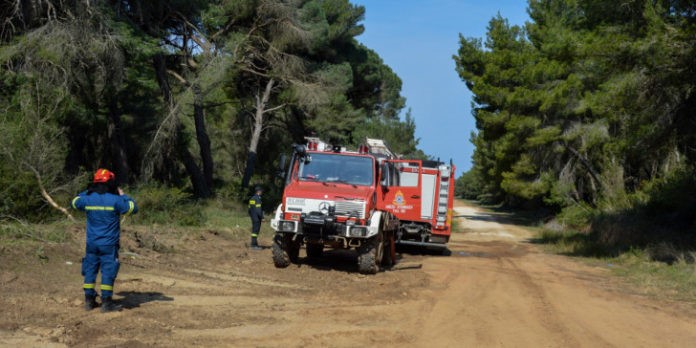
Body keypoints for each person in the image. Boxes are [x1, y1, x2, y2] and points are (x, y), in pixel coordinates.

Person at [71, 169, 138, 312]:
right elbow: (133, 208)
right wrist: (123, 195)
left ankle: (89, 301)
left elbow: (75, 202)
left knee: (90, 270)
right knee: (108, 271)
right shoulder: (116, 200)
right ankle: (107, 303)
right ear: (111, 183)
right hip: (108, 244)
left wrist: (88, 191)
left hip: (92, 243)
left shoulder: (87, 198)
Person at [248, 186, 264, 250]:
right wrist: (262, 217)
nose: (262, 192)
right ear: (259, 191)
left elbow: (249, 209)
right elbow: (258, 210)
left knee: (254, 230)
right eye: (261, 191)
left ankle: (255, 244)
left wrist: (252, 216)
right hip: (257, 218)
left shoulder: (252, 198)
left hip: (253, 217)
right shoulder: (258, 199)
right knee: (255, 231)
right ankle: (253, 245)